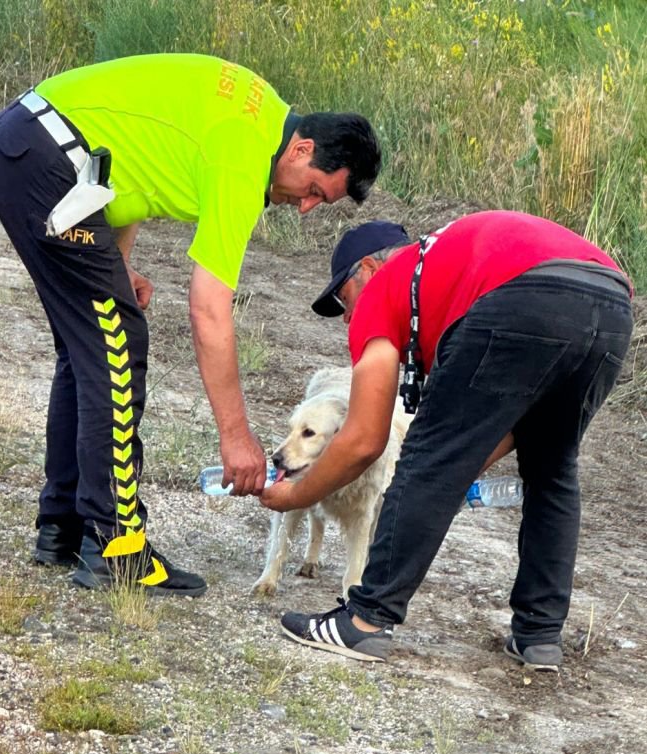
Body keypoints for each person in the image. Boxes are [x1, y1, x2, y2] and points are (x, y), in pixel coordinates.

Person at [0, 53, 381, 595]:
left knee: (89, 343)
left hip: (29, 146)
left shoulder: (259, 119)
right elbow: (209, 308)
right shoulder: (244, 157)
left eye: (319, 203)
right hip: (45, 159)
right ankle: (116, 547)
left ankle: (63, 528)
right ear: (302, 149)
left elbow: (129, 162)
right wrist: (236, 438)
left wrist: (116, 262)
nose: (305, 207)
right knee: (119, 343)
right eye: (314, 190)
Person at [260, 212, 633, 670]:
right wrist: (449, 473)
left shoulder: (383, 288)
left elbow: (365, 440)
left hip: (524, 296)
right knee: (551, 465)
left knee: (426, 459)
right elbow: (501, 433)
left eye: (343, 299)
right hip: (611, 301)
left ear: (368, 270)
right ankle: (538, 637)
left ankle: (365, 621)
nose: (346, 318)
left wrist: (295, 495)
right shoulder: (443, 272)